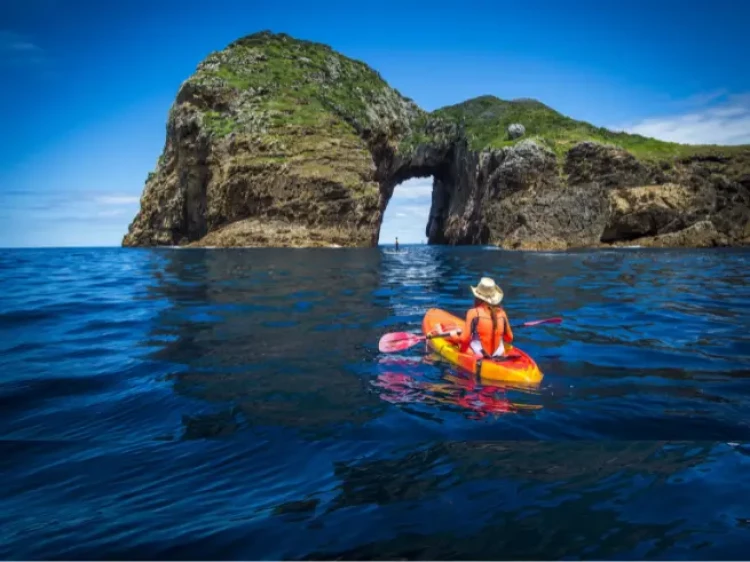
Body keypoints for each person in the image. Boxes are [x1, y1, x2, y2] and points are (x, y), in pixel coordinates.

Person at [451, 277, 514, 358]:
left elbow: (464, 339)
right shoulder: (502, 313)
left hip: (479, 354)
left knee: (461, 346)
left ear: (478, 297)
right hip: (499, 353)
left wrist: (455, 337)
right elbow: (509, 338)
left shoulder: (473, 313)